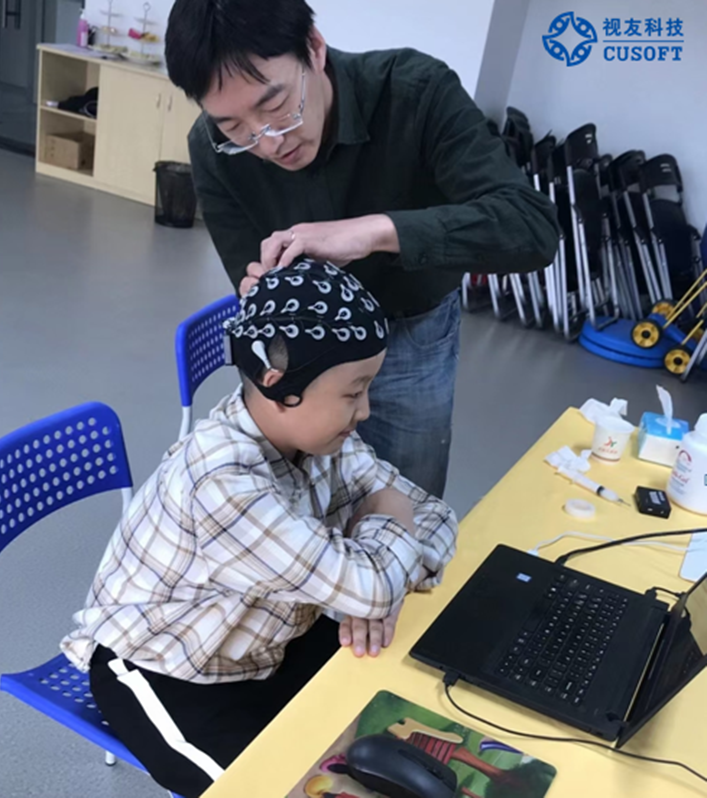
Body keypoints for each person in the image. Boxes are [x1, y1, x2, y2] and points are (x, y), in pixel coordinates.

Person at [61, 261, 458, 798]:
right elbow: (374, 576)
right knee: (272, 788)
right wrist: (385, 538)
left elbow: (435, 516)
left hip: (267, 645)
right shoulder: (223, 484)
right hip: (167, 672)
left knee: (394, 693)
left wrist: (384, 572)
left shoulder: (317, 438)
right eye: (354, 392)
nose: (365, 411)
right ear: (280, 386)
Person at [164, 0, 560, 500]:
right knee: (298, 509)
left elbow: (531, 227)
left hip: (411, 333)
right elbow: (252, 280)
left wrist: (374, 231)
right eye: (234, 127)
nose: (267, 143)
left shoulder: (415, 93)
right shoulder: (212, 150)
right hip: (307, 353)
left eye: (275, 106)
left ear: (314, 47)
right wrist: (262, 289)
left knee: (408, 501)